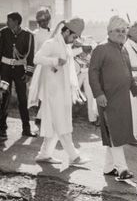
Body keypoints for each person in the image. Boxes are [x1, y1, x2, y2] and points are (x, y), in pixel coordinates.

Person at [89, 16, 137, 182]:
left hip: (123, 99)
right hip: (107, 98)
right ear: (109, 32)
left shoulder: (124, 50)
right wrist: (98, 94)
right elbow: (93, 73)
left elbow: (128, 75)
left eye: (123, 31)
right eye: (117, 31)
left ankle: (108, 167)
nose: (121, 34)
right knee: (115, 132)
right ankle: (122, 169)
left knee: (116, 132)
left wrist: (136, 91)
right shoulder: (101, 49)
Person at [29, 18, 89, 166]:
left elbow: (68, 56)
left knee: (56, 123)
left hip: (62, 90)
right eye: (74, 37)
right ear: (67, 31)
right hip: (53, 91)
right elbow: (37, 58)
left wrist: (81, 50)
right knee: (61, 122)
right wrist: (55, 61)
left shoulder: (65, 45)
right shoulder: (51, 44)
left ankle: (44, 154)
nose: (74, 40)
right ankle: (74, 156)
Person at [0, 12, 36, 140]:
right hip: (4, 71)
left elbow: (31, 57)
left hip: (20, 70)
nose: (7, 22)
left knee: (23, 100)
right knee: (3, 99)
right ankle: (2, 130)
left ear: (16, 22)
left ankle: (26, 129)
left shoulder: (28, 35)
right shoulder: (3, 33)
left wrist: (29, 73)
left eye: (9, 20)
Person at [31, 8, 52, 132]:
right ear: (38, 21)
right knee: (42, 93)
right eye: (41, 20)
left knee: (50, 93)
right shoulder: (35, 34)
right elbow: (33, 52)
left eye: (46, 19)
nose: (44, 22)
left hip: (52, 66)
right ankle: (39, 118)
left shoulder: (53, 32)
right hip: (40, 66)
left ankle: (41, 118)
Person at [72, 40, 99, 126]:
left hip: (87, 73)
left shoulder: (87, 42)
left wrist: (85, 47)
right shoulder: (70, 45)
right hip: (76, 74)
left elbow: (92, 46)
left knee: (90, 96)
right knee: (70, 95)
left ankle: (93, 118)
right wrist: (79, 47)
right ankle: (66, 117)